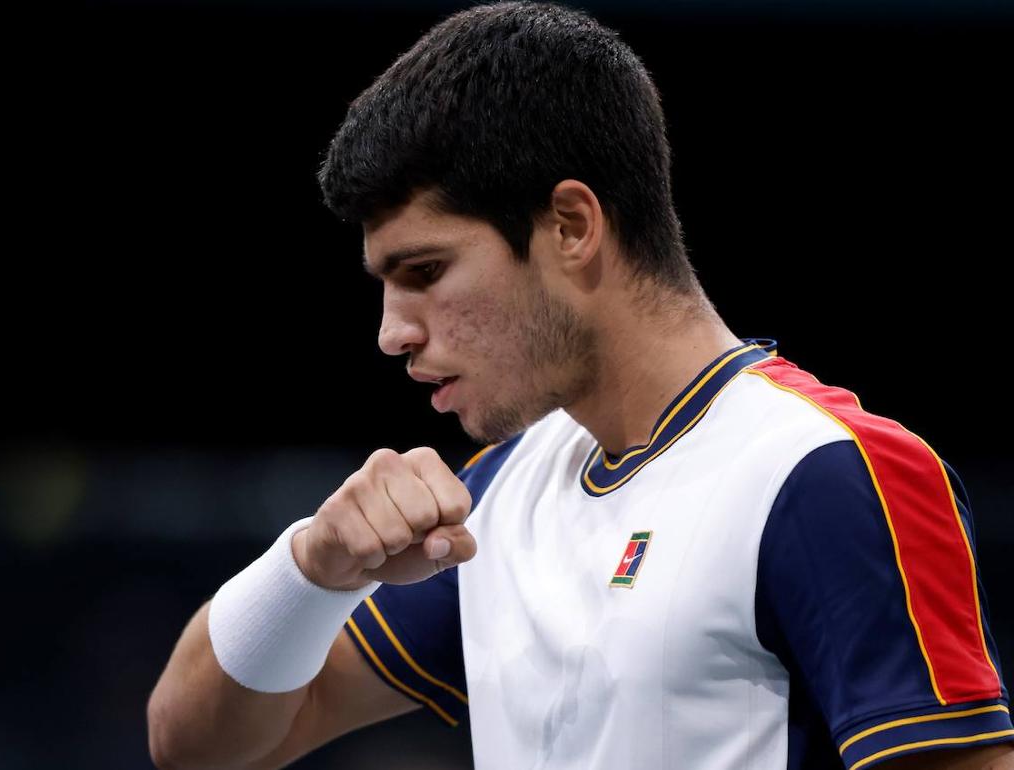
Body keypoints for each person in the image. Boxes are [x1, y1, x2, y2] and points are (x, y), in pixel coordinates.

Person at [146, 3, 1012, 768]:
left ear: (570, 226)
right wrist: (313, 572)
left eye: (426, 269)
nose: (392, 332)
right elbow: (195, 743)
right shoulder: (493, 500)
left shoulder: (829, 474)